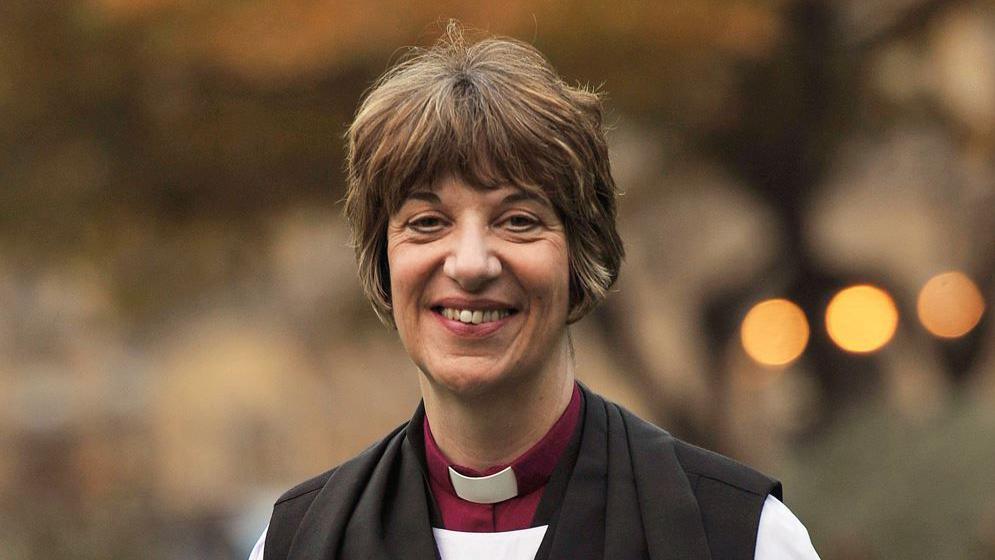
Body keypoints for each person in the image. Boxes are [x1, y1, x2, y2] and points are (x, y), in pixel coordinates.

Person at [249, 24, 819, 560]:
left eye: (518, 220)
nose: (470, 264)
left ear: (581, 255)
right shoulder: (300, 544)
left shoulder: (739, 537)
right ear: (383, 258)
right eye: (427, 222)